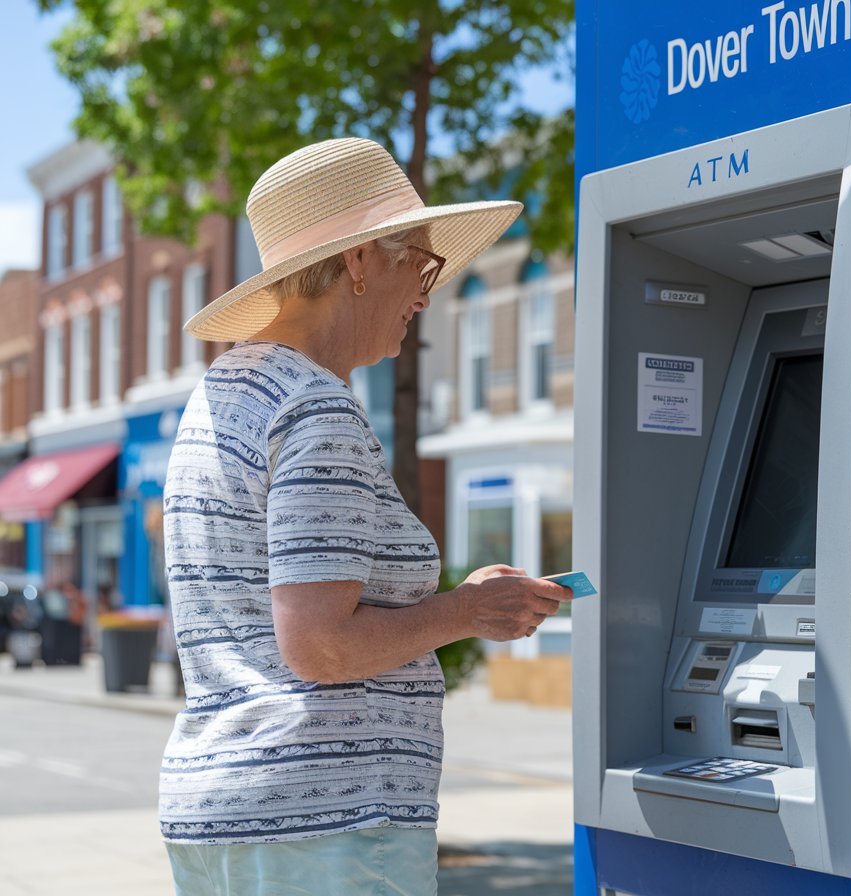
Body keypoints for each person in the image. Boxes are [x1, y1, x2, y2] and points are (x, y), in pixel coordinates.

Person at [159, 137, 572, 895]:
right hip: (329, 823)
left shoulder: (222, 396)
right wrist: (469, 611)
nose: (426, 290)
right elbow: (321, 647)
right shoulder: (315, 407)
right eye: (418, 261)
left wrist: (455, 603)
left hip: (225, 812)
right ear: (357, 262)